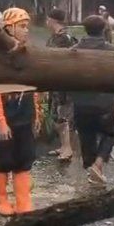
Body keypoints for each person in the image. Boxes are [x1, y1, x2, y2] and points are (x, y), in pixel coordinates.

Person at [0, 8, 42, 216]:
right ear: (9, 28)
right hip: (7, 117)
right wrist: (1, 121)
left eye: (26, 26)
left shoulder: (27, 52)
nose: (26, 30)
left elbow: (32, 87)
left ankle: (23, 199)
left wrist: (36, 114)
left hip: (25, 116)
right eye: (22, 26)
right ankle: (1, 198)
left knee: (24, 159)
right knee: (4, 160)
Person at [68, 15, 114, 185]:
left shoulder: (74, 51)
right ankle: (98, 164)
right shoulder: (112, 51)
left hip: (81, 104)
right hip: (104, 103)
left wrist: (67, 100)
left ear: (85, 29)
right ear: (103, 29)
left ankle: (93, 168)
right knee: (111, 132)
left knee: (86, 137)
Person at [45, 8, 76, 161]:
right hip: (54, 82)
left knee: (63, 116)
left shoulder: (66, 38)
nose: (46, 22)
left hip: (64, 84)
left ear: (52, 20)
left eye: (47, 19)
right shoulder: (54, 37)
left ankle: (68, 148)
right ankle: (63, 146)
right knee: (56, 116)